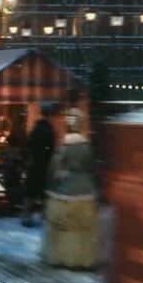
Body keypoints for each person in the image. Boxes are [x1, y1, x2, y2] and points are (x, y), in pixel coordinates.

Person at [42, 108, 100, 268]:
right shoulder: (87, 147)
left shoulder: (63, 148)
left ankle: (64, 257)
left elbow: (53, 168)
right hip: (86, 192)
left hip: (64, 191)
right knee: (83, 230)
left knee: (63, 228)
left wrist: (48, 185)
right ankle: (82, 259)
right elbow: (92, 168)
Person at [22, 103, 59, 227]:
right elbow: (51, 149)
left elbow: (29, 144)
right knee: (45, 191)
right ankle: (46, 216)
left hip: (34, 163)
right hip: (44, 165)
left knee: (31, 191)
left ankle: (26, 216)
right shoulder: (49, 130)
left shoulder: (36, 129)